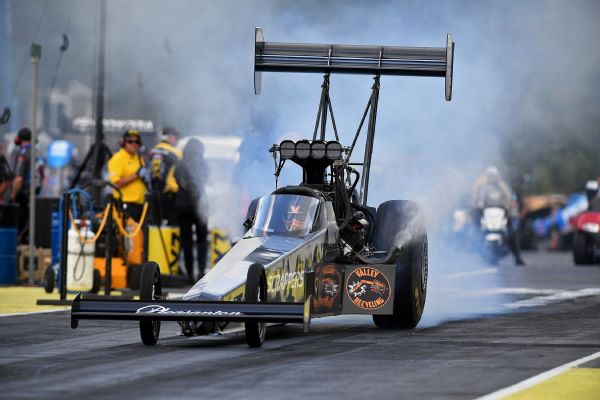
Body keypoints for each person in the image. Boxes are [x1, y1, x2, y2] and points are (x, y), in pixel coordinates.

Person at [471, 166, 525, 265]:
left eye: (494, 176)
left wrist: (509, 205)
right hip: (486, 214)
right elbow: (477, 200)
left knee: (512, 233)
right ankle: (475, 255)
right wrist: (477, 205)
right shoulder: (483, 187)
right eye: (490, 176)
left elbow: (510, 198)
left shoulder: (503, 186)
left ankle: (517, 257)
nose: (492, 178)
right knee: (476, 230)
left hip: (502, 213)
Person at [175, 138, 208, 283]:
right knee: (202, 240)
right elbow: (205, 179)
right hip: (199, 204)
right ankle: (201, 271)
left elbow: (177, 179)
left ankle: (189, 275)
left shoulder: (180, 165)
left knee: (186, 240)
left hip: (182, 205)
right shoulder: (203, 164)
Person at [10, 127, 45, 244]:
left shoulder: (22, 153)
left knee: (19, 227)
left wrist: (12, 196)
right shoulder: (38, 153)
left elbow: (18, 178)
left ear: (18, 139)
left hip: (23, 195)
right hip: (35, 195)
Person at [107, 129, 148, 222]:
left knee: (139, 234)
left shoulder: (139, 158)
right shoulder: (117, 159)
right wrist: (135, 175)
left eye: (136, 142)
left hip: (140, 204)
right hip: (125, 204)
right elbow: (116, 183)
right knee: (128, 234)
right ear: (124, 143)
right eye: (130, 141)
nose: (134, 144)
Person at [147, 127, 183, 225]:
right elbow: (180, 173)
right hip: (169, 193)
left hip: (152, 193)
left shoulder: (152, 151)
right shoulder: (176, 153)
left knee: (155, 226)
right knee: (173, 225)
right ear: (171, 138)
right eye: (176, 138)